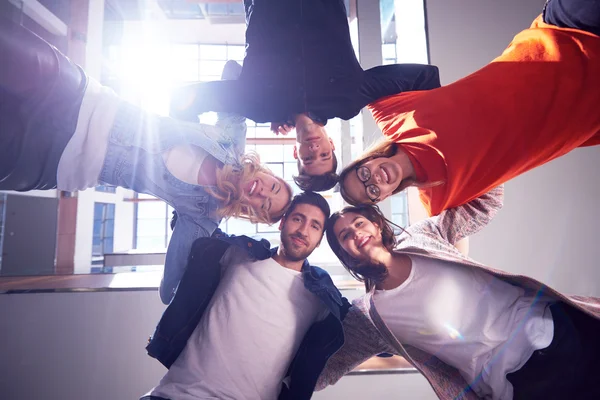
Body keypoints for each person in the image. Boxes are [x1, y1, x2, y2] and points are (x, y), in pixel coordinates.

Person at [0, 16, 292, 304]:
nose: (263, 193)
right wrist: (271, 109)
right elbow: (233, 71)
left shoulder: (203, 219)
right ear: (269, 174)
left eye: (265, 206)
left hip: (61, 160)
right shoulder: (231, 139)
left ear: (253, 215)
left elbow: (168, 291)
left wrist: (218, 264)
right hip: (79, 96)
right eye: (274, 187)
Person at [318, 185, 600, 399]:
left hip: (556, 328)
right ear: (344, 252)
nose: (355, 233)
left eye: (359, 223)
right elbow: (327, 367)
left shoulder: (423, 236)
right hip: (519, 385)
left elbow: (486, 201)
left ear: (376, 225)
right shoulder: (369, 316)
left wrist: (410, 174)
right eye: (345, 236)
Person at [338, 0, 600, 216]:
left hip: (563, 33)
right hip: (591, 109)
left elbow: (364, 86)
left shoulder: (393, 116)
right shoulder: (439, 202)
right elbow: (446, 248)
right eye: (371, 191)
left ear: (367, 160)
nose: (374, 180)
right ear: (382, 198)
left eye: (363, 174)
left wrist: (312, 119)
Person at [169, 0, 441, 191]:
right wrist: (423, 144)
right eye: (324, 155)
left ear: (295, 151)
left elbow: (185, 97)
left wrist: (201, 160)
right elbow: (424, 77)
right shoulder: (348, 100)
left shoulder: (257, 106)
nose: (314, 150)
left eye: (309, 159)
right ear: (331, 144)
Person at [142, 192, 351, 400]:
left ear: (319, 240)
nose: (303, 230)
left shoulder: (322, 299)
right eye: (297, 219)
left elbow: (372, 330)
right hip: (174, 394)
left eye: (314, 226)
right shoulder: (238, 253)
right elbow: (191, 220)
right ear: (282, 223)